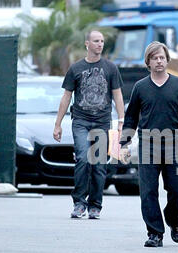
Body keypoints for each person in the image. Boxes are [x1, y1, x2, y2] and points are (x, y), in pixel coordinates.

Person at [119, 41, 178, 247]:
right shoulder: (140, 87)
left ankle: (174, 222)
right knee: (148, 191)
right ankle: (155, 232)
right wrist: (124, 143)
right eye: (155, 58)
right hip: (148, 144)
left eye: (162, 57)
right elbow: (131, 118)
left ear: (167, 60)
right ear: (148, 61)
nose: (159, 61)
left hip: (174, 143)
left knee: (176, 189)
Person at [53, 30, 125, 219]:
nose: (100, 44)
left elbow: (117, 95)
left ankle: (95, 205)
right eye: (96, 41)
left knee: (99, 165)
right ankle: (79, 202)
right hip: (81, 121)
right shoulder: (76, 68)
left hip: (102, 121)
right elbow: (66, 96)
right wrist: (58, 124)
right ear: (87, 44)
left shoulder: (110, 68)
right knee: (84, 159)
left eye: (102, 41)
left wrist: (121, 121)